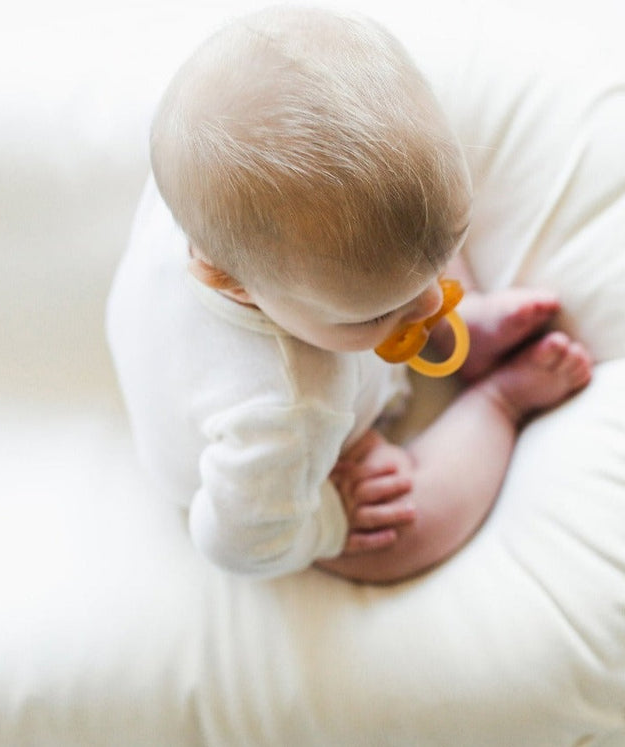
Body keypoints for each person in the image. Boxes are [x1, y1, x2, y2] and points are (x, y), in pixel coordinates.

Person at [106, 5, 592, 584]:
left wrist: (396, 292)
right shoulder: (288, 411)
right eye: (382, 314)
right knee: (403, 530)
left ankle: (468, 325)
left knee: (403, 232)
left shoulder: (200, 193)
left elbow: (387, 261)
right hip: (277, 470)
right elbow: (237, 543)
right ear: (233, 286)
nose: (435, 303)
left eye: (444, 268)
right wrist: (332, 520)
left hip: (216, 346)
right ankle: (498, 404)